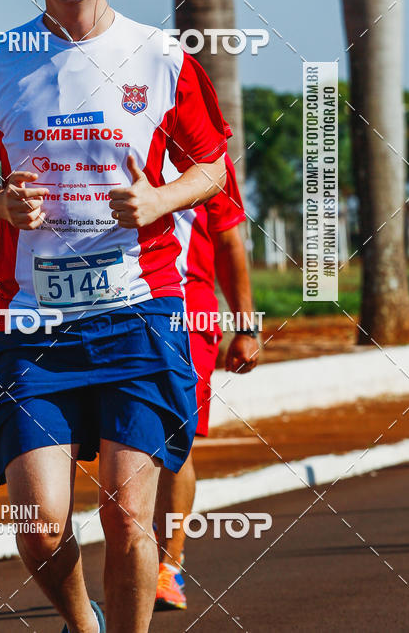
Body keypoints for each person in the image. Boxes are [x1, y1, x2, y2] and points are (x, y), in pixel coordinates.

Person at [0, 0, 229, 633]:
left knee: (128, 518)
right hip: (36, 322)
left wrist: (161, 200)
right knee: (38, 524)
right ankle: (83, 621)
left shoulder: (160, 55)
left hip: (140, 311)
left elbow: (212, 166)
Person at [154, 153, 259, 610]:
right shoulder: (102, 135)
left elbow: (229, 241)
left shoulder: (204, 155)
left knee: (175, 439)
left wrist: (246, 327)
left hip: (187, 314)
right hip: (112, 309)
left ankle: (167, 566)